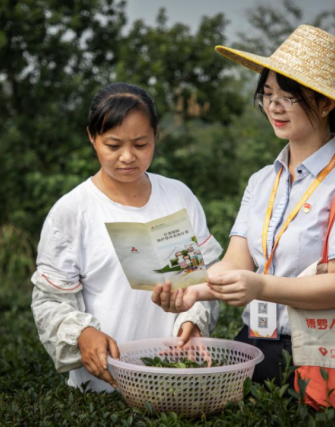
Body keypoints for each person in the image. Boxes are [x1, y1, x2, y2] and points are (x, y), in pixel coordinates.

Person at [151, 25, 335, 387]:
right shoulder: (262, 181)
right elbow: (235, 264)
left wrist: (260, 287)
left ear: (326, 104)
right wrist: (190, 293)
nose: (273, 107)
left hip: (322, 356)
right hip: (254, 344)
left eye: (287, 97)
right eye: (267, 94)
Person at [30, 82, 223, 392]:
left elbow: (200, 279)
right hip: (100, 388)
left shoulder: (178, 197)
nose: (127, 157)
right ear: (92, 137)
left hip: (174, 382)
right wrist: (82, 335)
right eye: (113, 145)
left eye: (140, 144)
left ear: (157, 135)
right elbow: (50, 301)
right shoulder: (73, 211)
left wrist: (193, 321)